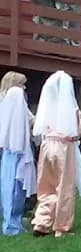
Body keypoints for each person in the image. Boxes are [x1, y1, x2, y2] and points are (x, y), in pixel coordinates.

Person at [31, 71, 81, 236]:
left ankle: (41, 222)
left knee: (46, 184)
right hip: (64, 147)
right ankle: (61, 226)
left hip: (47, 144)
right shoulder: (71, 109)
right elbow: (77, 131)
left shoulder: (48, 105)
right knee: (65, 186)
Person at [0, 80, 36, 235]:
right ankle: (12, 224)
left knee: (9, 187)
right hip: (17, 153)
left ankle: (12, 220)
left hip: (9, 153)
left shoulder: (7, 108)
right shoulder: (18, 106)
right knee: (15, 189)